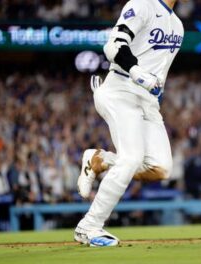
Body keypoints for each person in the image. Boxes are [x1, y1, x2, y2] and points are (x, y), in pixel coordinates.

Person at [75, 0, 184, 247]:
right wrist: (136, 71)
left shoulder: (177, 25)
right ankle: (89, 227)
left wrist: (153, 95)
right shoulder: (142, 4)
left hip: (147, 101)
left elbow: (159, 72)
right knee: (132, 158)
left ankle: (99, 160)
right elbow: (113, 45)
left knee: (161, 168)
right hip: (120, 89)